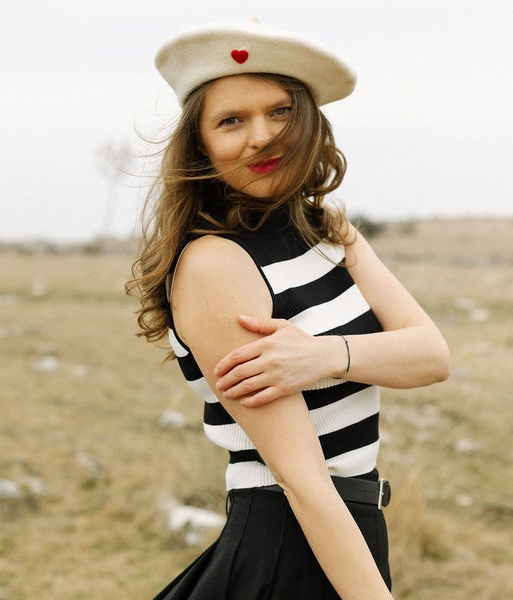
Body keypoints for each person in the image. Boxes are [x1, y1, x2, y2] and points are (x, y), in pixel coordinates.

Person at [126, 19, 450, 599]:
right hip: (291, 542)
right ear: (201, 146)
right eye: (231, 121)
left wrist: (320, 355)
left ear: (308, 122)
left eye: (279, 112)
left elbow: (431, 355)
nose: (262, 137)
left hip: (351, 530)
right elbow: (302, 481)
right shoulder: (215, 263)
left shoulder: (329, 230)